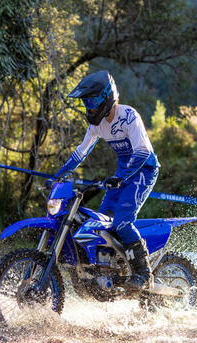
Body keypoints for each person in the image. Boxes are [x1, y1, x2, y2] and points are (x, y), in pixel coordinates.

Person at [48, 70, 160, 290]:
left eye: (92, 101)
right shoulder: (96, 125)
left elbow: (143, 151)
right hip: (121, 175)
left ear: (106, 97)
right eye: (86, 102)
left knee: (123, 221)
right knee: (103, 224)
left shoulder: (128, 116)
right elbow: (81, 152)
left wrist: (121, 177)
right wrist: (58, 175)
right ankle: (110, 271)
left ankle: (144, 274)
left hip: (143, 171)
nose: (89, 107)